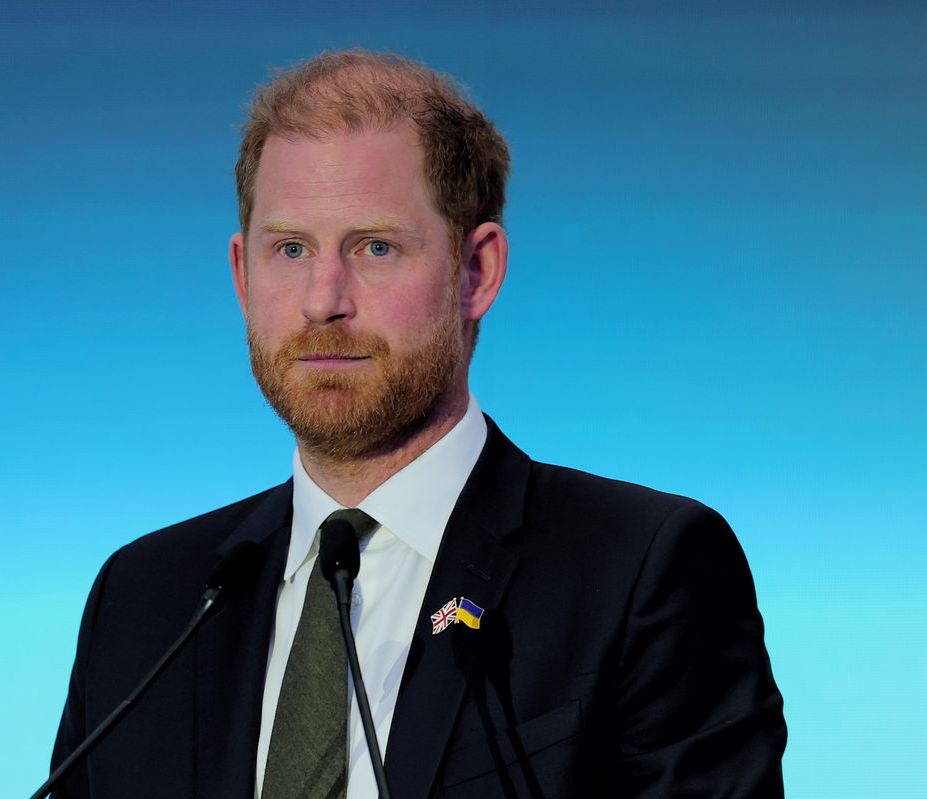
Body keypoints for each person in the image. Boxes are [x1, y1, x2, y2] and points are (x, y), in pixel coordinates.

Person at [50, 49, 786, 798]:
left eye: (375, 247)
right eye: (291, 248)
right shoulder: (146, 600)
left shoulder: (639, 571)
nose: (321, 299)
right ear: (242, 275)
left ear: (477, 272)